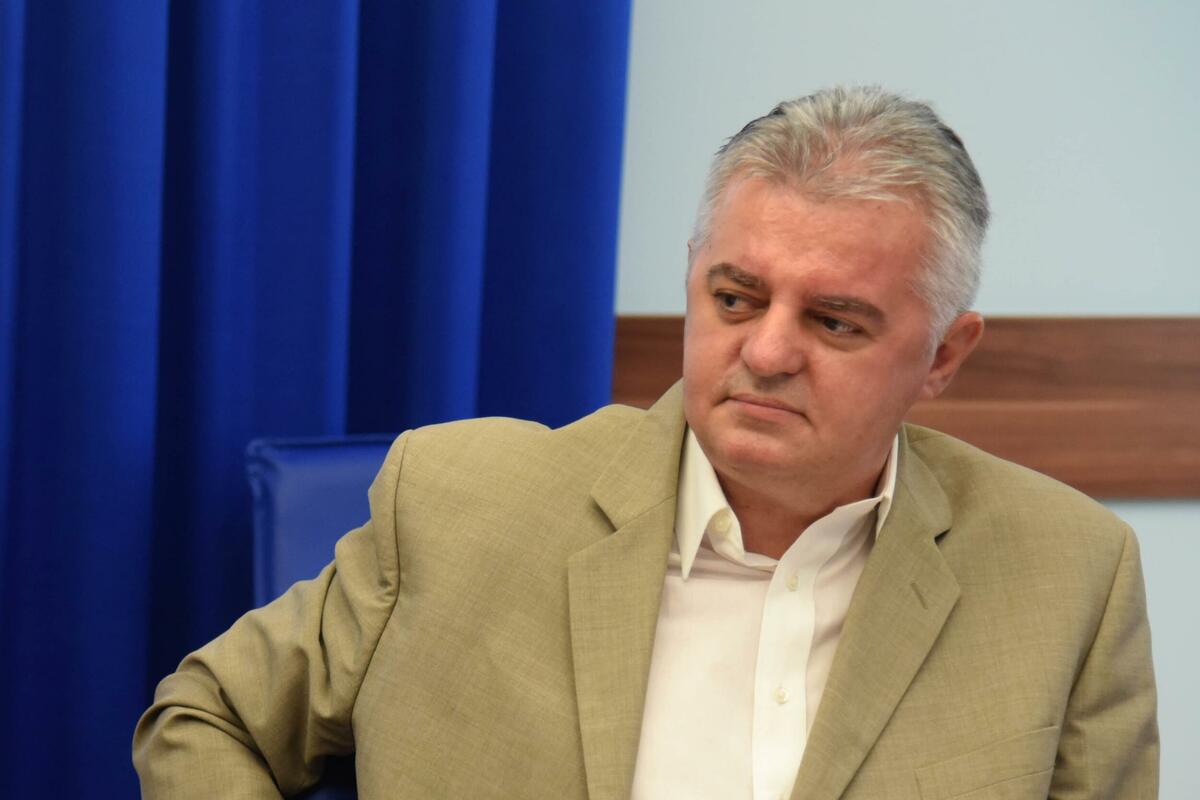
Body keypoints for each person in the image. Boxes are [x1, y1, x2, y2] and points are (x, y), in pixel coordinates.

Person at [134, 86, 1158, 799]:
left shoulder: (1067, 573)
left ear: (943, 355)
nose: (766, 351)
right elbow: (207, 715)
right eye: (735, 297)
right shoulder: (460, 502)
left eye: (834, 321)